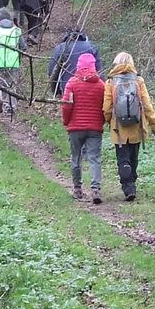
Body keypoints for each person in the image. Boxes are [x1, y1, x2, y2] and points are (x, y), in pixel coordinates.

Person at [101, 51, 155, 202]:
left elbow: (107, 107)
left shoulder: (110, 82)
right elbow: (147, 105)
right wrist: (154, 125)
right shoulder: (138, 81)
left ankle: (128, 186)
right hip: (137, 127)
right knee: (133, 157)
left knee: (123, 158)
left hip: (118, 128)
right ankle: (132, 182)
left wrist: (108, 120)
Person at [61, 52, 106, 203]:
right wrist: (102, 121)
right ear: (94, 66)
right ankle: (95, 189)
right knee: (94, 158)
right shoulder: (101, 85)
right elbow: (105, 107)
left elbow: (66, 106)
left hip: (75, 127)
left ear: (78, 65)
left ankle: (77, 189)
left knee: (76, 158)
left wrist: (66, 121)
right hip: (95, 128)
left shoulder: (72, 83)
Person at [0, 8, 23, 115]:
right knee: (11, 85)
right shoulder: (16, 30)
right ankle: (10, 107)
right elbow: (23, 46)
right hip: (13, 63)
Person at [48, 29, 99, 95]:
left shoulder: (60, 48)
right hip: (91, 90)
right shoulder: (91, 47)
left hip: (68, 89)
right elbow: (99, 69)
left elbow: (53, 71)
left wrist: (56, 91)